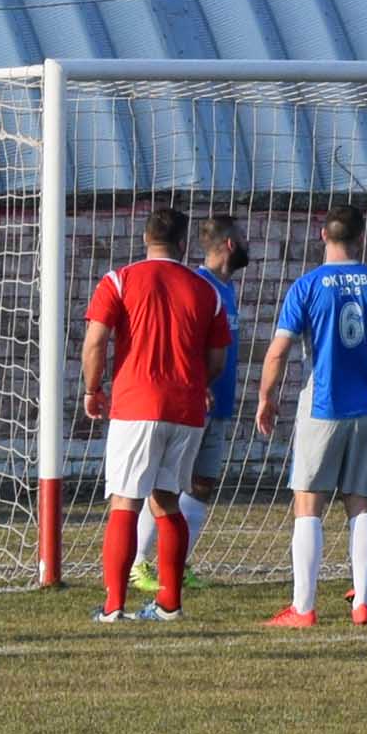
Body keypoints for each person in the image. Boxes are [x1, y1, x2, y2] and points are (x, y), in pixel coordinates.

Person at [256, 205, 367, 628]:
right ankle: (362, 603)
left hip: (323, 406)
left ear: (322, 235)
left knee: (308, 504)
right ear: (361, 238)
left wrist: (266, 397)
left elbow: (278, 350)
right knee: (360, 502)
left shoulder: (308, 285)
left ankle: (304, 607)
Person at [81, 208, 231, 623]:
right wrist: (197, 382)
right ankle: (169, 603)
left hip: (136, 404)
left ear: (146, 239)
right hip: (186, 410)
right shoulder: (207, 291)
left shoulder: (119, 280)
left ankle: (113, 606)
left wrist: (93, 389)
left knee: (125, 502)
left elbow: (95, 342)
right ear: (183, 244)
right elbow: (217, 359)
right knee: (167, 502)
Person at [130, 214, 250, 594]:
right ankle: (138, 564)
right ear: (230, 244)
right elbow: (182, 340)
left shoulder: (226, 288)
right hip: (193, 403)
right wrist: (200, 382)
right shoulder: (198, 285)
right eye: (243, 237)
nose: (248, 244)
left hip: (219, 404)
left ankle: (177, 565)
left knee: (201, 485)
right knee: (165, 486)